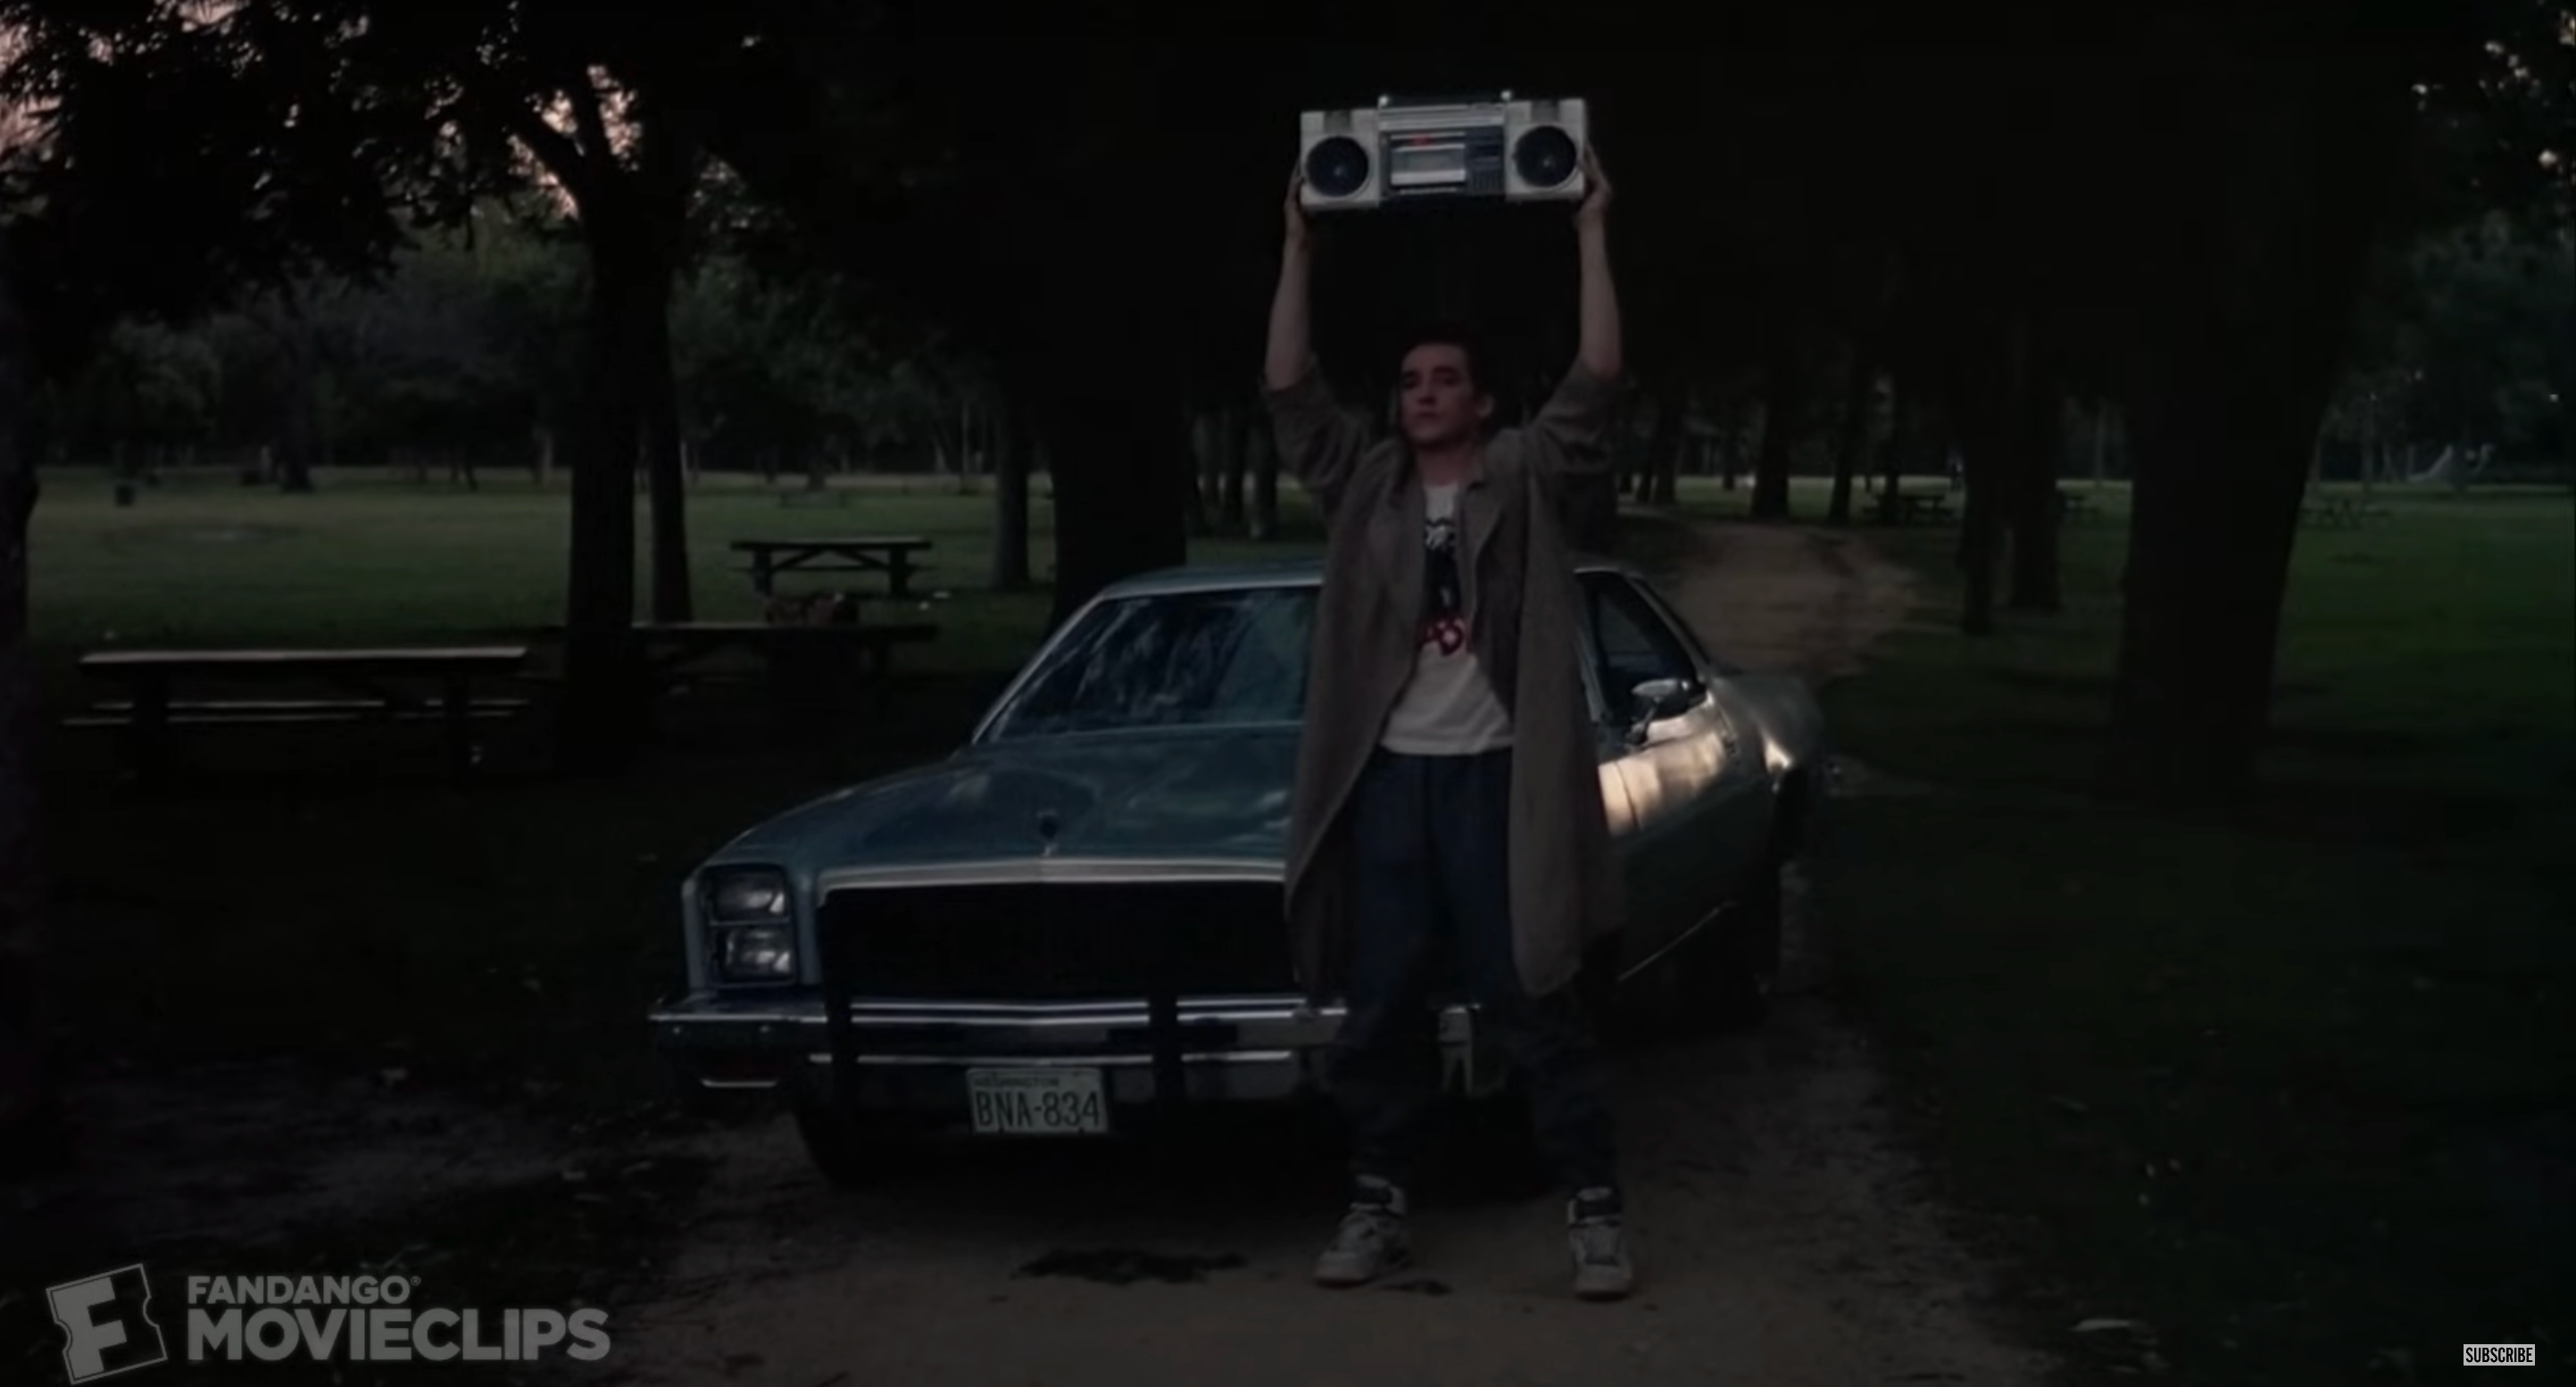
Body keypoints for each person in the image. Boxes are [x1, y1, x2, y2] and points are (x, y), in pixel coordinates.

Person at [1261, 144, 1633, 1300]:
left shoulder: (1520, 474)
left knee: (1531, 991)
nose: (1422, 392)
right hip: (1391, 782)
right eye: (1410, 379)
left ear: (1480, 401)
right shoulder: (1365, 487)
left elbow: (1597, 378)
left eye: (1444, 379)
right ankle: (1378, 1201)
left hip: (1495, 778)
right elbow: (1289, 390)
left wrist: (1588, 230)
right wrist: (1297, 245)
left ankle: (1593, 1207)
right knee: (1381, 1006)